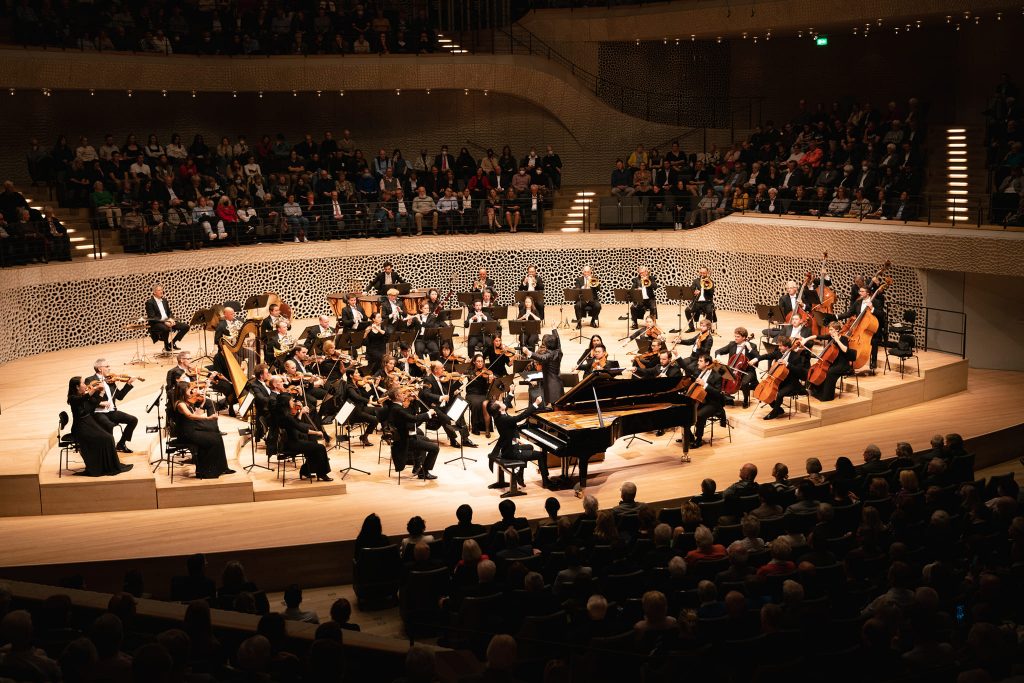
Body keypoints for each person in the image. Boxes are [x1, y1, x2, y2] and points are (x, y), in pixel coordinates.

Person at [66, 376, 132, 476]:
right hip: (81, 428)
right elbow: (84, 398)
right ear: (76, 387)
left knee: (109, 437)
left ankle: (107, 465)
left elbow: (92, 406)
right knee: (106, 438)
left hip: (88, 423)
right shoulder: (73, 398)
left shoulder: (82, 396)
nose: (86, 385)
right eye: (83, 383)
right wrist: (95, 389)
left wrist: (101, 393)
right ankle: (99, 467)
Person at [487, 394, 548, 489]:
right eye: (499, 402)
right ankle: (546, 481)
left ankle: (520, 475)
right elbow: (521, 416)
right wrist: (535, 404)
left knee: (529, 447)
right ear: (500, 409)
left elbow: (506, 404)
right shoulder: (505, 419)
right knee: (540, 455)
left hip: (508, 447)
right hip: (512, 452)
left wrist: (511, 393)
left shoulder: (499, 416)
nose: (502, 401)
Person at [173, 384, 233, 479]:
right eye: (190, 390)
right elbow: (190, 416)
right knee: (213, 440)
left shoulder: (187, 402)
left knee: (217, 436)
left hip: (193, 430)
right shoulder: (180, 404)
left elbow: (194, 414)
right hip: (187, 434)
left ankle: (222, 468)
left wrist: (202, 404)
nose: (192, 392)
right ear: (183, 391)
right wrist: (208, 418)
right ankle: (207, 472)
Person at [86, 358, 138, 453]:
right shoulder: (90, 380)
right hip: (98, 412)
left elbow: (120, 396)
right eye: (107, 366)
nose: (109, 368)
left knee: (133, 420)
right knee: (109, 425)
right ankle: (109, 451)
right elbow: (87, 399)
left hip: (111, 411)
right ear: (100, 369)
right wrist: (100, 403)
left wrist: (128, 384)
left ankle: (121, 444)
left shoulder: (110, 380)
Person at [276, 394, 333, 481]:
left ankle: (306, 470)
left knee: (314, 447)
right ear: (286, 402)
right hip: (293, 444)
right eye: (291, 400)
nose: (293, 402)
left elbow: (296, 423)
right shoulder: (287, 416)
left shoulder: (283, 414)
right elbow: (301, 428)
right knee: (320, 448)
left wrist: (301, 412)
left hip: (290, 442)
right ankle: (321, 473)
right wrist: (317, 432)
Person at [420, 361, 476, 448]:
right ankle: (453, 440)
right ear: (435, 370)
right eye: (442, 368)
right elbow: (426, 394)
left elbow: (448, 392)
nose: (444, 369)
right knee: (445, 418)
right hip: (433, 407)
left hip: (443, 406)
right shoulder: (428, 379)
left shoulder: (442, 378)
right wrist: (440, 397)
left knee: (459, 413)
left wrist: (459, 382)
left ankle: (465, 439)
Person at [389, 386, 439, 480]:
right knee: (435, 448)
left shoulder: (397, 407)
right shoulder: (398, 409)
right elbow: (414, 419)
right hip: (405, 440)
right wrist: (428, 413)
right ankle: (424, 472)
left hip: (407, 436)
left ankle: (418, 465)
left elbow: (412, 416)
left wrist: (415, 401)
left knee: (425, 439)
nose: (405, 395)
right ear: (397, 396)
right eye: (402, 394)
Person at [754, 336, 809, 420]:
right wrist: (756, 359)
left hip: (792, 383)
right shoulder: (778, 353)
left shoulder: (796, 357)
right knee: (766, 392)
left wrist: (787, 364)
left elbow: (801, 372)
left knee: (779, 394)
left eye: (780, 346)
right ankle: (779, 409)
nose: (778, 347)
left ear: (787, 347)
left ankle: (774, 412)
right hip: (779, 381)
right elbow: (767, 356)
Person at [808, 321, 857, 402]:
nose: (829, 331)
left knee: (829, 372)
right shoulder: (830, 337)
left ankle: (827, 396)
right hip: (833, 362)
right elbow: (819, 336)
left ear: (837, 330)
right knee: (821, 371)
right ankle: (817, 391)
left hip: (842, 364)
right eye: (829, 329)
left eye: (831, 330)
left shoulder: (844, 339)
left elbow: (845, 350)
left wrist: (837, 340)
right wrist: (807, 338)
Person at [687, 354, 727, 449]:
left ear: (707, 363)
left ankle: (699, 439)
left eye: (700, 361)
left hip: (713, 403)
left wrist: (705, 385)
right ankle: (689, 436)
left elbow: (718, 394)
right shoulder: (699, 372)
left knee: (700, 415)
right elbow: (687, 369)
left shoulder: (717, 376)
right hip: (700, 400)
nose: (698, 362)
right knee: (684, 411)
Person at [521, 332, 563, 406]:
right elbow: (558, 343)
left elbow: (541, 358)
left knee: (554, 408)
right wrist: (555, 330)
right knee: (556, 406)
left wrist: (528, 352)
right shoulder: (558, 352)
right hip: (558, 383)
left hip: (551, 386)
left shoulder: (549, 355)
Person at [145, 285, 189, 352]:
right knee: (165, 328)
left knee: (186, 327)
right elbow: (152, 317)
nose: (161, 291)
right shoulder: (150, 302)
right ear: (154, 292)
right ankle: (166, 346)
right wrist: (164, 322)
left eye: (162, 290)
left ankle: (171, 343)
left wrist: (171, 319)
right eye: (159, 290)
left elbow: (169, 312)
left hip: (167, 320)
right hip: (157, 323)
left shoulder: (164, 300)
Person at [686, 267, 716, 331]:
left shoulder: (711, 282)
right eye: (701, 272)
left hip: (707, 302)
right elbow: (691, 290)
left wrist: (706, 287)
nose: (702, 274)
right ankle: (691, 327)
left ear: (707, 273)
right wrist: (694, 292)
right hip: (697, 302)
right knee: (687, 310)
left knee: (709, 311)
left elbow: (711, 294)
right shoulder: (696, 281)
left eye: (704, 273)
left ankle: (708, 329)